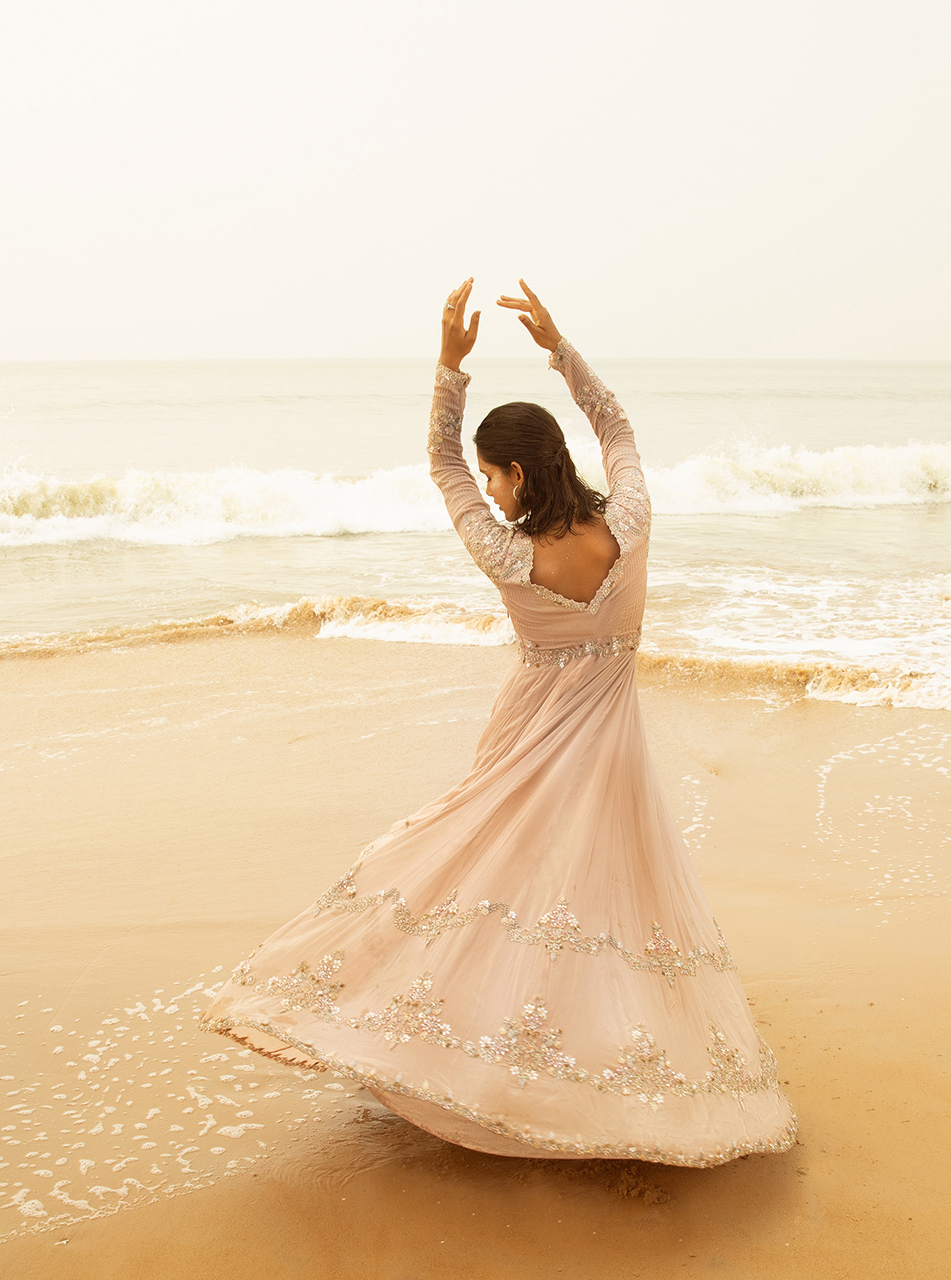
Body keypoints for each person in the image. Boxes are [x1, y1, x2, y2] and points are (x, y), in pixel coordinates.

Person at [199, 279, 797, 1165]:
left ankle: (456, 1051)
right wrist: (561, 350)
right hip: (611, 751)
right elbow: (620, 431)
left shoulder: (508, 556)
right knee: (602, 899)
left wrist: (450, 367)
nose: (484, 484)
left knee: (482, 875)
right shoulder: (629, 525)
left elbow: (439, 464)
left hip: (526, 740)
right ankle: (595, 1062)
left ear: (517, 474)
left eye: (493, 473)